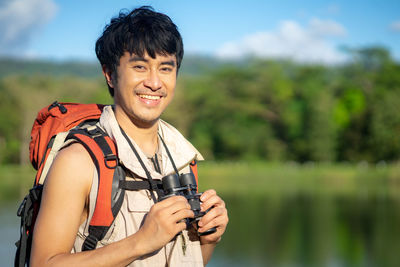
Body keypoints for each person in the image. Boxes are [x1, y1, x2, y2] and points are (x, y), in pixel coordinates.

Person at [30, 6, 229, 267]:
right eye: (140, 67)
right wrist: (141, 242)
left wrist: (208, 238)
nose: (155, 83)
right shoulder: (78, 160)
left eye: (166, 69)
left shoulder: (180, 158)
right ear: (110, 75)